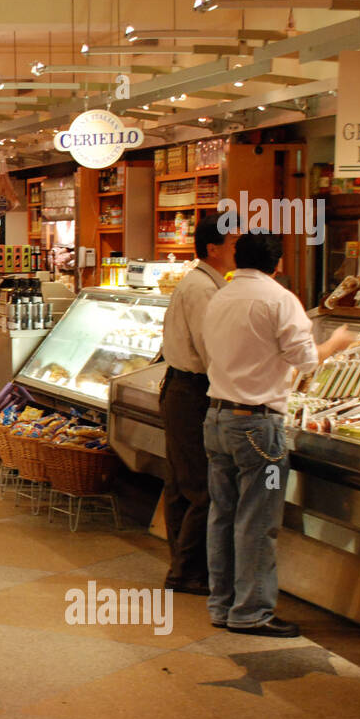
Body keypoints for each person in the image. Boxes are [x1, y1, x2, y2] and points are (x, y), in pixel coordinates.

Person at [201, 230, 354, 637]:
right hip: (256, 426)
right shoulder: (279, 299)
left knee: (222, 516)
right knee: (257, 520)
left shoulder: (221, 296)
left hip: (216, 420)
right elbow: (305, 361)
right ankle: (251, 613)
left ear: (237, 259)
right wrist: (337, 343)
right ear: (278, 263)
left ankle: (223, 605)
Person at [159, 213, 237, 596]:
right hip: (192, 392)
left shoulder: (198, 282)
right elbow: (213, 351)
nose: (238, 249)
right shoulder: (204, 289)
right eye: (234, 243)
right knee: (201, 487)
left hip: (180, 388)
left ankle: (182, 563)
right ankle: (188, 572)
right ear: (214, 248)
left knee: (180, 485)